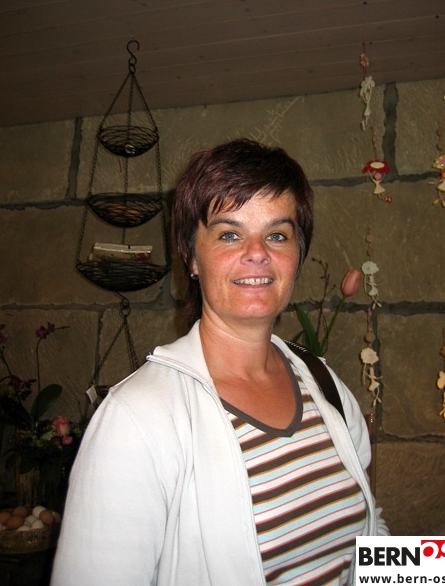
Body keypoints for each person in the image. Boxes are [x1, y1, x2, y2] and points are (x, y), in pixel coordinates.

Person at [51, 138, 388, 586]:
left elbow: (371, 534)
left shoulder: (324, 383)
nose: (257, 252)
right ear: (191, 257)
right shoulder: (136, 418)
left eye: (277, 235)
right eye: (230, 233)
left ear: (297, 256)